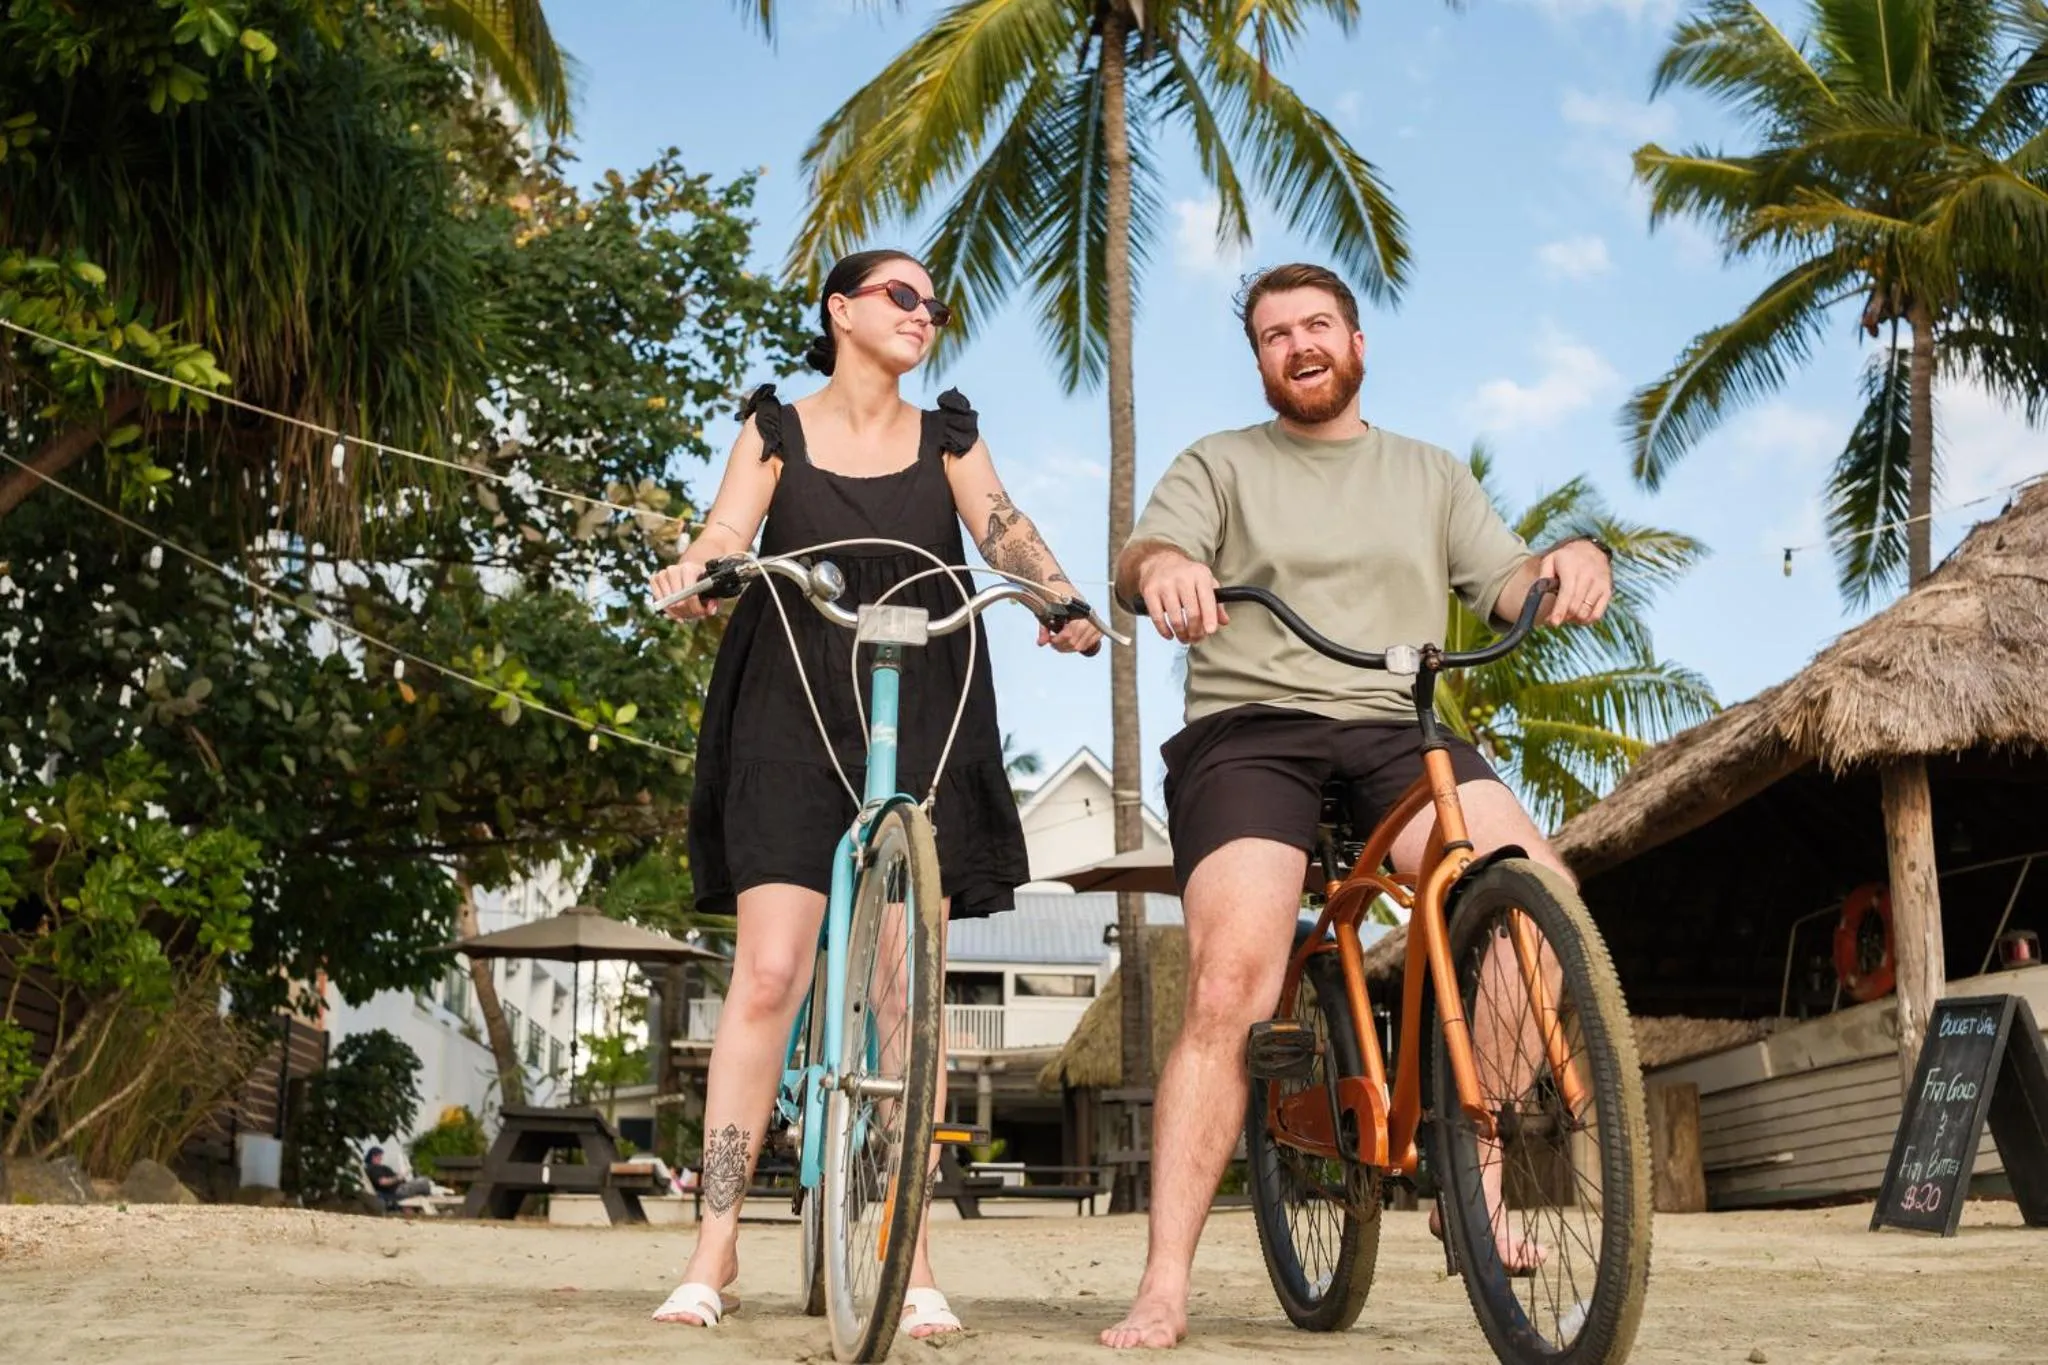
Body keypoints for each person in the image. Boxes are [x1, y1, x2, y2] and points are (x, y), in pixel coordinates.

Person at [1100, 263, 1616, 1350]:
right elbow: (1145, 553)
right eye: (1274, 334)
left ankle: (1467, 1175)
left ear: (1356, 342)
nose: (1298, 345)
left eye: (1316, 325)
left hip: (1397, 725)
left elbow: (1508, 584)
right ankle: (1163, 1279)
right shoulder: (1220, 463)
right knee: (1232, 976)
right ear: (1259, 360)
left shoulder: (1425, 473)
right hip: (1251, 728)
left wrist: (1573, 559)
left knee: (1537, 898)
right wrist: (1165, 574)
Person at [645, 249, 1102, 1335]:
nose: (924, 314)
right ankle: (714, 1251)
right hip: (788, 702)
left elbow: (1001, 525)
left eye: (935, 304)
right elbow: (723, 531)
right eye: (902, 295)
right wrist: (694, 572)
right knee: (767, 975)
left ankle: (912, 1250)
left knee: (907, 1003)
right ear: (840, 310)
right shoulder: (775, 429)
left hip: (925, 696)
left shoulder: (946, 433)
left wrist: (1059, 597)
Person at [362, 1146, 432, 1211]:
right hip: (397, 1191)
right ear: (373, 1156)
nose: (381, 1158)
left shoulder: (378, 1167)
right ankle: (430, 1193)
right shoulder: (374, 1168)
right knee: (424, 1180)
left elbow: (391, 1177)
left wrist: (401, 1174)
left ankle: (428, 1192)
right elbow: (383, 1182)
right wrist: (398, 1178)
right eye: (380, 1156)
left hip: (399, 1189)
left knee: (423, 1180)